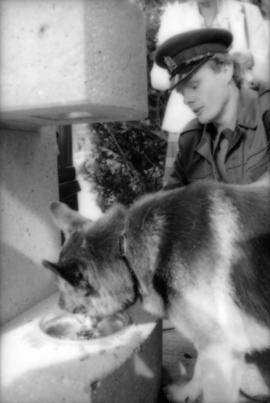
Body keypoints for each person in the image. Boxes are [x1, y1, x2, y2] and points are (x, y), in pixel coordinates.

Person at [151, 0, 269, 181]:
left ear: (226, 69)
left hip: (242, 110)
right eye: (183, 92)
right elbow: (158, 77)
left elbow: (265, 70)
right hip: (189, 127)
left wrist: (248, 60)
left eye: (195, 86)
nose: (187, 99)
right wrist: (189, 74)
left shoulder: (246, 11)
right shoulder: (175, 15)